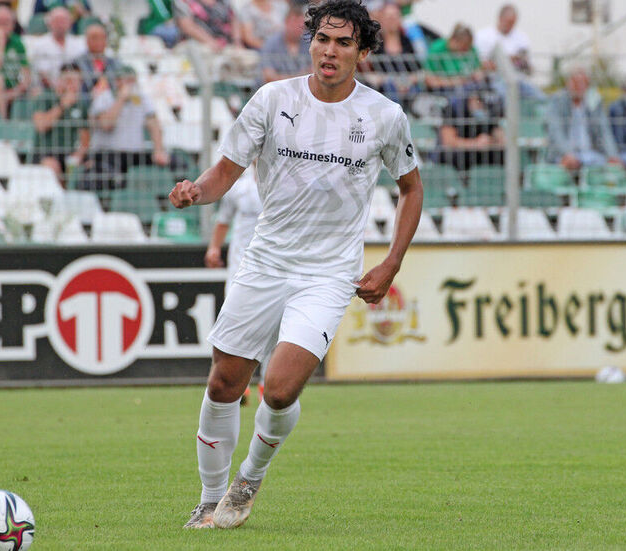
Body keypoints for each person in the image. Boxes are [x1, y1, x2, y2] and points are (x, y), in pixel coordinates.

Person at [171, 0, 422, 530]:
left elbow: (411, 188)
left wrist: (392, 263)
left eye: (344, 42)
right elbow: (225, 172)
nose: (330, 51)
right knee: (223, 384)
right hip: (265, 262)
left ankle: (249, 479)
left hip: (327, 274)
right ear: (311, 42)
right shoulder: (272, 99)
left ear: (362, 52)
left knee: (281, 388)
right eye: (322, 39)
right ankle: (209, 499)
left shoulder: (384, 116)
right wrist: (196, 192)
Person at [204, 168, 265, 404]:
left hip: (272, 269)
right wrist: (214, 248)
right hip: (240, 269)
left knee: (275, 328)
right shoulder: (239, 189)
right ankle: (238, 385)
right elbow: (223, 220)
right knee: (235, 326)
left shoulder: (288, 185)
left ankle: (266, 384)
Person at [83, 65, 171, 190]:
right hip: (108, 154)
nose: (131, 85)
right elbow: (106, 124)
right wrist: (121, 99)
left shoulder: (142, 99)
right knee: (108, 175)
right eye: (127, 80)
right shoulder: (104, 98)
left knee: (174, 163)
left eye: (133, 80)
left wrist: (158, 150)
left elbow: (154, 124)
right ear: (117, 81)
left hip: (134, 154)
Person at [545, 68, 620, 171]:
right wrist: (567, 154)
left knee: (611, 168)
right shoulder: (557, 101)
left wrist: (613, 156)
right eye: (575, 82)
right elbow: (555, 132)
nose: (578, 86)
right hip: (562, 155)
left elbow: (604, 131)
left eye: (582, 83)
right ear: (568, 83)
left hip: (590, 154)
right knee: (565, 166)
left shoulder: (594, 103)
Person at [31, 62, 90, 182]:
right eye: (68, 80)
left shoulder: (81, 105)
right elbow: (41, 126)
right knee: (51, 166)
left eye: (77, 81)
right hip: (46, 153)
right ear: (60, 80)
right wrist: (63, 105)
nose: (72, 85)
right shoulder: (46, 98)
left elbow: (85, 138)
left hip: (70, 154)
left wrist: (78, 155)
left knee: (91, 167)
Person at [366, 1, 420, 108]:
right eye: (388, 16)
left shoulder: (408, 42)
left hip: (407, 87)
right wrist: (389, 81)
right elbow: (367, 72)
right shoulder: (373, 42)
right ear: (381, 19)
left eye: (395, 16)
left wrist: (405, 82)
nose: (392, 20)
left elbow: (417, 71)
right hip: (382, 89)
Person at [438, 91, 504, 171]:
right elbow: (448, 141)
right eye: (478, 102)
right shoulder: (454, 109)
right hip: (459, 157)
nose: (480, 106)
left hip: (481, 155)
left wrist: (492, 141)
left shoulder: (489, 110)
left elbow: (499, 135)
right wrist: (476, 143)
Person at [27, 7, 87, 90]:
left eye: (63, 21)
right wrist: (58, 89)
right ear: (49, 23)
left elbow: (82, 72)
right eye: (57, 21)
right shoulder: (39, 44)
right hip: (48, 90)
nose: (60, 25)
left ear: (70, 23)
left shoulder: (80, 44)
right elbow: (42, 73)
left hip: (75, 90)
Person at [424, 23, 483, 94]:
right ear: (454, 40)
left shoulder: (471, 49)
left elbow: (478, 71)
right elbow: (430, 80)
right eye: (463, 48)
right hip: (445, 90)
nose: (465, 52)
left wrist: (477, 75)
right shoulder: (437, 49)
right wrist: (455, 82)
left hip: (467, 87)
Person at [260, 3, 310, 83]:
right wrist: (299, 77)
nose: (298, 26)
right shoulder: (271, 43)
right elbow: (268, 77)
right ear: (286, 22)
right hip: (276, 89)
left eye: (300, 23)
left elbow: (314, 73)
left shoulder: (309, 43)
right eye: (294, 22)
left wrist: (281, 78)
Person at [474, 4, 530, 74]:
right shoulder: (483, 36)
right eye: (508, 22)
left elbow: (526, 62)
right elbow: (477, 61)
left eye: (513, 23)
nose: (511, 26)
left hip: (516, 74)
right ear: (500, 18)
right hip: (492, 74)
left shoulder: (522, 38)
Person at [73, 22, 121, 93]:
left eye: (102, 38)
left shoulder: (115, 62)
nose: (99, 41)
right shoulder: (76, 63)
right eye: (94, 38)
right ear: (87, 40)